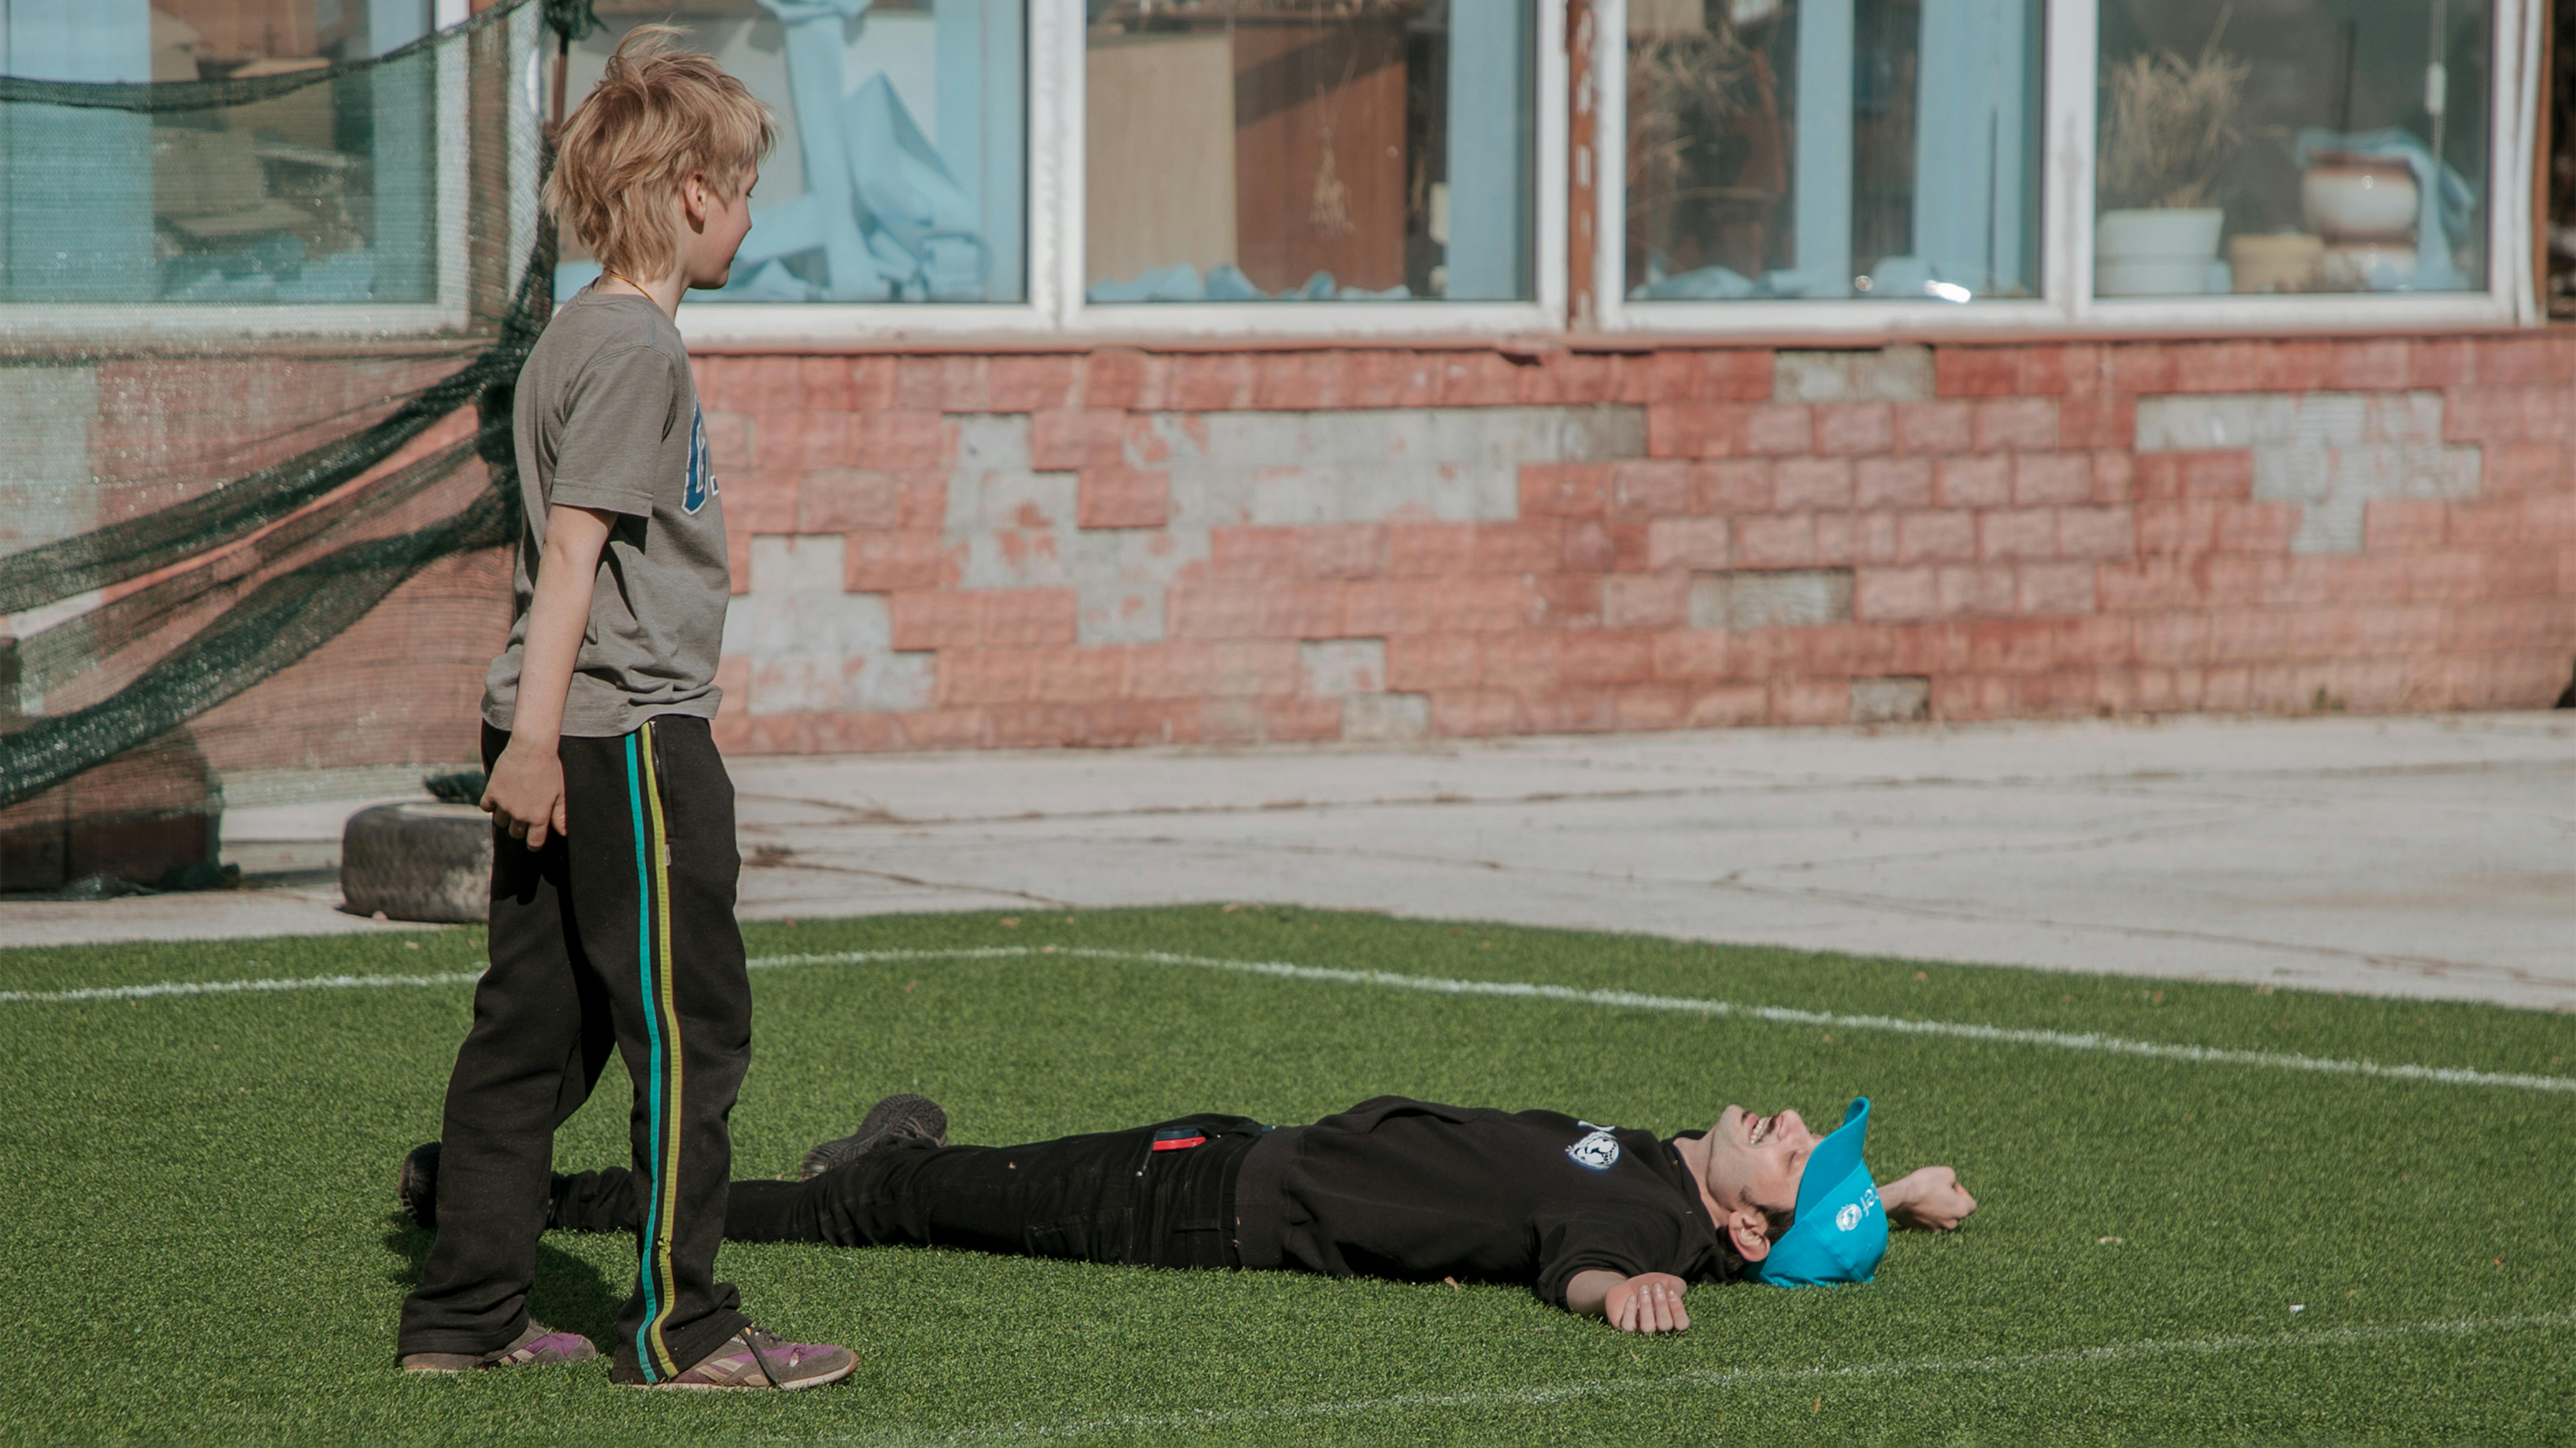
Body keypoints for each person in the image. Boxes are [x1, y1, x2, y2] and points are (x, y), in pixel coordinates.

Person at [393, 28, 852, 1391]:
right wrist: (539, 744)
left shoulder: (570, 338)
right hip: (624, 742)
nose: (755, 216)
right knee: (685, 1032)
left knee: (531, 1037)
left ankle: (460, 1319)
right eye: (747, 189)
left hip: (563, 733)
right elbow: (579, 553)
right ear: (693, 193)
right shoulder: (637, 351)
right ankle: (681, 1330)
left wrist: (530, 737)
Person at [401, 1092, 1977, 1336]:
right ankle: (882, 1159)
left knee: (882, 1215)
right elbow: (1796, 1224)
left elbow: (1576, 1272)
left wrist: (1622, 1296)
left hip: (1194, 1209)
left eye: (1798, 1157)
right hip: (1225, 1149)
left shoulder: (1643, 1231)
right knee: (932, 1187)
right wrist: (1886, 1199)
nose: (1785, 1123)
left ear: (1751, 1235)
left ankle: (539, 1197)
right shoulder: (1658, 1164)